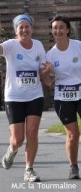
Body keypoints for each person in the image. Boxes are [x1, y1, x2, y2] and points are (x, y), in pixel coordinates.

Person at [0, 14, 50, 182]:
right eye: (20, 27)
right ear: (16, 31)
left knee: (33, 134)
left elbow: (42, 69)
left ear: (31, 29)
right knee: (18, 139)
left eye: (27, 26)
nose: (24, 30)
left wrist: (46, 70)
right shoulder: (11, 45)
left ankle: (29, 169)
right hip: (14, 97)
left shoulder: (38, 45)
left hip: (34, 95)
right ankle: (12, 150)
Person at [43, 15, 81, 179]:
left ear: (67, 30)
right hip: (63, 97)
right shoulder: (50, 55)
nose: (57, 31)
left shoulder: (78, 46)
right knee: (73, 134)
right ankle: (73, 167)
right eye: (54, 28)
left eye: (60, 27)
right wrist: (46, 72)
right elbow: (48, 83)